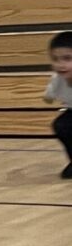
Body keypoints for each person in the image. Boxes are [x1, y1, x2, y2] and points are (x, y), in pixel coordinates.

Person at [44, 30, 72, 179]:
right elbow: (48, 97)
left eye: (67, 58)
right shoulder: (57, 79)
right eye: (55, 59)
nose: (61, 65)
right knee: (61, 125)